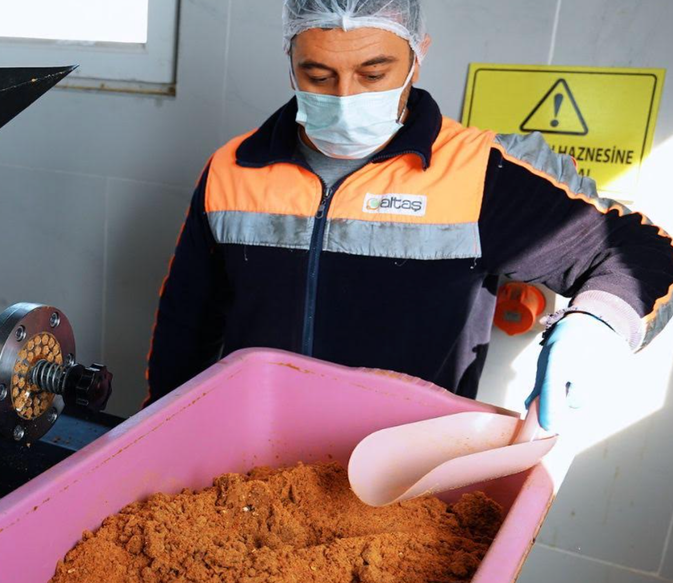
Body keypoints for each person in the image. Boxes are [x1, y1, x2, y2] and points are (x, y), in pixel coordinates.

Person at [145, 0, 673, 432]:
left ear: (417, 59)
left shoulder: (480, 173)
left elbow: (643, 251)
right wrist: (161, 431)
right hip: (248, 459)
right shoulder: (234, 168)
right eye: (318, 74)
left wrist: (599, 323)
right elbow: (186, 325)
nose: (346, 96)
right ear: (290, 60)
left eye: (374, 73)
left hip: (403, 471)